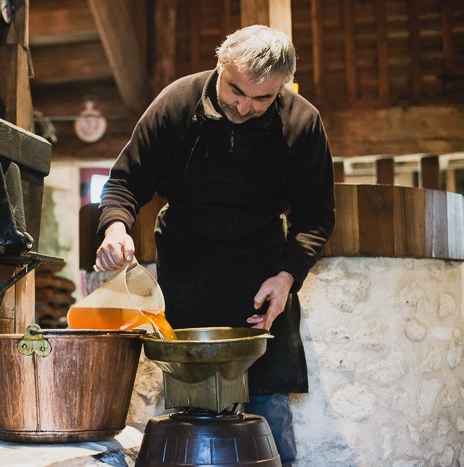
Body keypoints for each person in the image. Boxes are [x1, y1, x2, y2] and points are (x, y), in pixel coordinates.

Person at [94, 25, 336, 464]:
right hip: (188, 265)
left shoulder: (302, 123)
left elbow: (316, 216)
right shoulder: (176, 103)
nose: (244, 106)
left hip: (262, 271)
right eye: (235, 90)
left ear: (281, 86)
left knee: (268, 401)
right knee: (191, 404)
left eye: (262, 99)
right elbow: (125, 182)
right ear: (219, 65)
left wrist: (286, 278)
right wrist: (115, 227)